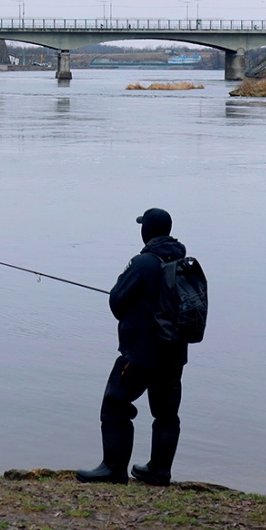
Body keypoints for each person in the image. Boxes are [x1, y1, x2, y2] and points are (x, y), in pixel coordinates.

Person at [77, 207, 188, 486]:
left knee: (115, 404)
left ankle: (113, 469)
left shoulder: (143, 263)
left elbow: (117, 302)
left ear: (146, 231)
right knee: (166, 413)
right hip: (174, 353)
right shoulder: (184, 262)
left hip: (141, 352)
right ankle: (159, 471)